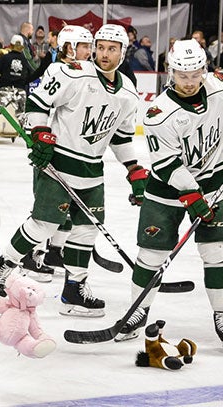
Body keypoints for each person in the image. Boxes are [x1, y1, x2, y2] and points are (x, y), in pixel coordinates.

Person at [0, 24, 146, 318]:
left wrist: (133, 169)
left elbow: (121, 137)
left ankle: (74, 291)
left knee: (86, 231)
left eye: (112, 49)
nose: (104, 54)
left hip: (92, 170)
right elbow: (39, 102)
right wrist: (40, 134)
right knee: (45, 225)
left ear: (123, 53)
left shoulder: (127, 92)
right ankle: (4, 265)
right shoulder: (72, 73)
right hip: (58, 162)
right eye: (100, 47)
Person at [116, 40, 223, 342]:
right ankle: (138, 310)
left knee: (216, 251)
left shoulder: (219, 90)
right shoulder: (158, 113)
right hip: (166, 192)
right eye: (181, 75)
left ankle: (222, 313)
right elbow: (166, 166)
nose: (189, 82)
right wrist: (191, 195)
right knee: (152, 253)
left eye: (195, 74)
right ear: (170, 72)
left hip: (214, 185)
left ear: (205, 70)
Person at [0, 35, 49, 144]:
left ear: (11, 45)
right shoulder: (25, 60)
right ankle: (30, 139)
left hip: (4, 90)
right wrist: (23, 82)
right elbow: (32, 74)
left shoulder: (4, 58)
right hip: (20, 91)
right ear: (22, 47)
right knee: (22, 117)